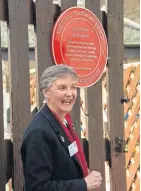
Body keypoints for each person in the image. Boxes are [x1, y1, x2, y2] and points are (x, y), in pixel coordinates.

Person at [20, 64, 102, 191]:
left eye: (73, 87)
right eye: (62, 88)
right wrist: (84, 184)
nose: (69, 93)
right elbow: (38, 188)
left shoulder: (62, 122)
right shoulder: (39, 132)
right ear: (46, 92)